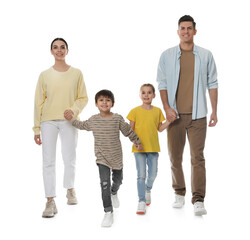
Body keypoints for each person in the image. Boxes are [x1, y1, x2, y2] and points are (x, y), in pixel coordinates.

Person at [156, 15, 218, 216]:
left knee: (197, 158)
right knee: (175, 157)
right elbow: (162, 84)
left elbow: (213, 84)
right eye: (182, 28)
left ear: (195, 31)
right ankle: (179, 192)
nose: (186, 31)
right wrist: (167, 109)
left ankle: (198, 198)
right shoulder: (166, 55)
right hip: (175, 117)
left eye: (189, 28)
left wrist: (214, 111)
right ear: (177, 31)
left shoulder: (206, 55)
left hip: (198, 115)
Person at [64, 89, 143, 227]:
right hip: (102, 158)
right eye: (101, 100)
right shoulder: (94, 120)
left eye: (108, 100)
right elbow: (81, 125)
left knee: (118, 180)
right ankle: (108, 212)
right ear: (96, 103)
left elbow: (128, 131)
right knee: (104, 184)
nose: (104, 102)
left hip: (116, 157)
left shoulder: (117, 118)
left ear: (112, 103)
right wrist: (71, 119)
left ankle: (114, 192)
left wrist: (136, 141)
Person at [33, 38, 88, 218]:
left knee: (69, 158)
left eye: (62, 47)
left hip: (69, 121)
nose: (59, 50)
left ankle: (70, 189)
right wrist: (36, 129)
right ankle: (50, 201)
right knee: (48, 161)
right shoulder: (44, 75)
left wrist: (73, 111)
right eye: (55, 48)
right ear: (51, 51)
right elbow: (38, 103)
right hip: (48, 121)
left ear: (67, 50)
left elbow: (83, 98)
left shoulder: (77, 73)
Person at [127, 84, 169, 215]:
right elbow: (130, 131)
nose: (146, 95)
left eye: (149, 92)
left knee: (153, 174)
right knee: (141, 175)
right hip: (139, 148)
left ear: (154, 95)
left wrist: (170, 121)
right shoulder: (134, 111)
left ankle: (148, 189)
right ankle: (141, 201)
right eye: (143, 92)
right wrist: (135, 143)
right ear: (140, 95)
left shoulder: (157, 111)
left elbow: (160, 128)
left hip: (153, 147)